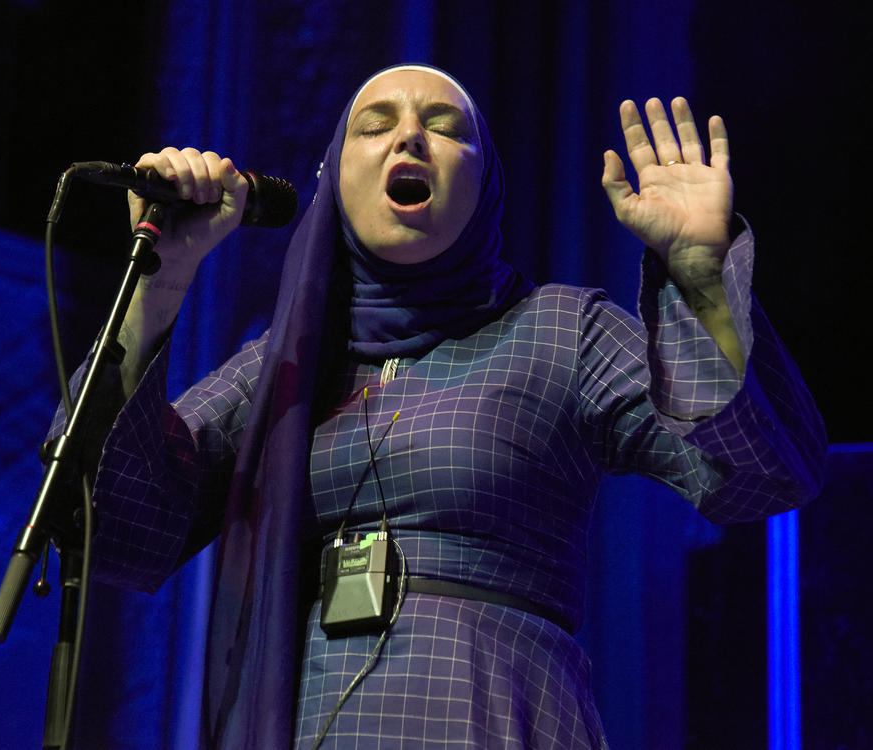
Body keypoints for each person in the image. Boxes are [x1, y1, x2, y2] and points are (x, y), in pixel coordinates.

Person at [55, 64, 826, 748]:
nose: (410, 139)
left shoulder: (561, 331)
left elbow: (760, 474)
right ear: (333, 177)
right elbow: (113, 528)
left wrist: (699, 273)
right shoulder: (284, 364)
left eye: (445, 127)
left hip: (494, 711)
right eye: (376, 125)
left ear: (485, 183)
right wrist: (163, 277)